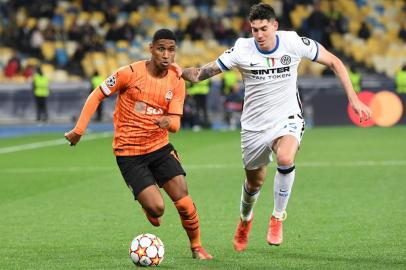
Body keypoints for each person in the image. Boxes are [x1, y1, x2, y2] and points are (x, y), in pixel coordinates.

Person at [181, 3, 371, 251]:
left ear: (275, 26)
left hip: (287, 117)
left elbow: (334, 62)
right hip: (254, 127)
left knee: (285, 157)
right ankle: (245, 221)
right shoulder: (241, 49)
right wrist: (174, 70)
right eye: (254, 30)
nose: (258, 35)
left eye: (263, 29)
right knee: (254, 184)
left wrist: (354, 99)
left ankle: (277, 217)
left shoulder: (293, 42)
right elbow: (200, 74)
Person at [64, 29, 212, 260]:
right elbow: (97, 95)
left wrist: (168, 122)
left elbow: (175, 123)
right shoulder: (129, 73)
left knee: (183, 199)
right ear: (151, 48)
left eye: (171, 50)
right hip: (129, 153)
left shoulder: (177, 80)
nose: (166, 54)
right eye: (161, 48)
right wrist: (79, 130)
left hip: (159, 147)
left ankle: (197, 247)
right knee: (157, 209)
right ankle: (148, 205)